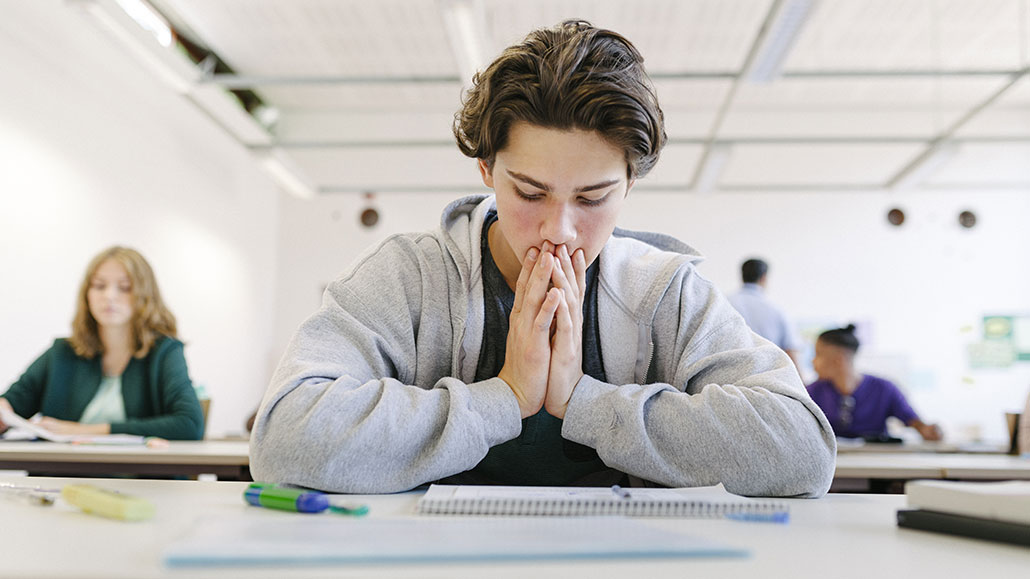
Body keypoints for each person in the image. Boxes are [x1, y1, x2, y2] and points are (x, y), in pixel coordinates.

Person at [250, 20, 835, 497]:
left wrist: (584, 400)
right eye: (529, 193)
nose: (559, 229)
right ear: (487, 171)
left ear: (630, 184)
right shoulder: (409, 276)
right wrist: (503, 397)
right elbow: (284, 438)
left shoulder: (665, 292)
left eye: (592, 198)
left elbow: (803, 450)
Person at [0, 247, 205, 440]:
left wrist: (84, 431)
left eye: (125, 288)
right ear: (87, 294)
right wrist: (4, 410)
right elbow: (13, 403)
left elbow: (189, 424)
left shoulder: (164, 352)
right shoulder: (62, 352)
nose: (109, 296)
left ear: (146, 295)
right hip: (65, 476)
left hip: (139, 476)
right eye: (99, 286)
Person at [807, 324, 941, 441]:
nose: (812, 362)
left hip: (877, 463)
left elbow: (914, 422)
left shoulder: (885, 389)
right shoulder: (811, 392)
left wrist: (928, 430)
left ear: (838, 360)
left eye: (818, 355)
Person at [727, 258, 802, 372]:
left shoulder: (724, 304)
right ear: (764, 277)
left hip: (729, 375)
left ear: (742, 276)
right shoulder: (776, 310)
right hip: (767, 378)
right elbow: (791, 350)